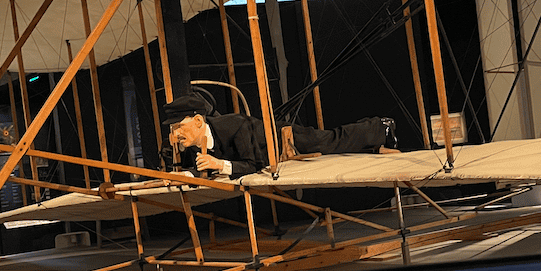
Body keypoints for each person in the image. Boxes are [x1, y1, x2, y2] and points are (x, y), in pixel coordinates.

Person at [162, 93, 397, 179]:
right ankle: (373, 149)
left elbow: (253, 164)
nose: (176, 134)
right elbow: (200, 168)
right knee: (332, 147)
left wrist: (219, 164)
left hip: (281, 140)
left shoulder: (235, 126)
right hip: (264, 153)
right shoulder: (192, 141)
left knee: (329, 142)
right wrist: (184, 173)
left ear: (198, 121)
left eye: (178, 127)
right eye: (173, 129)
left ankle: (380, 128)